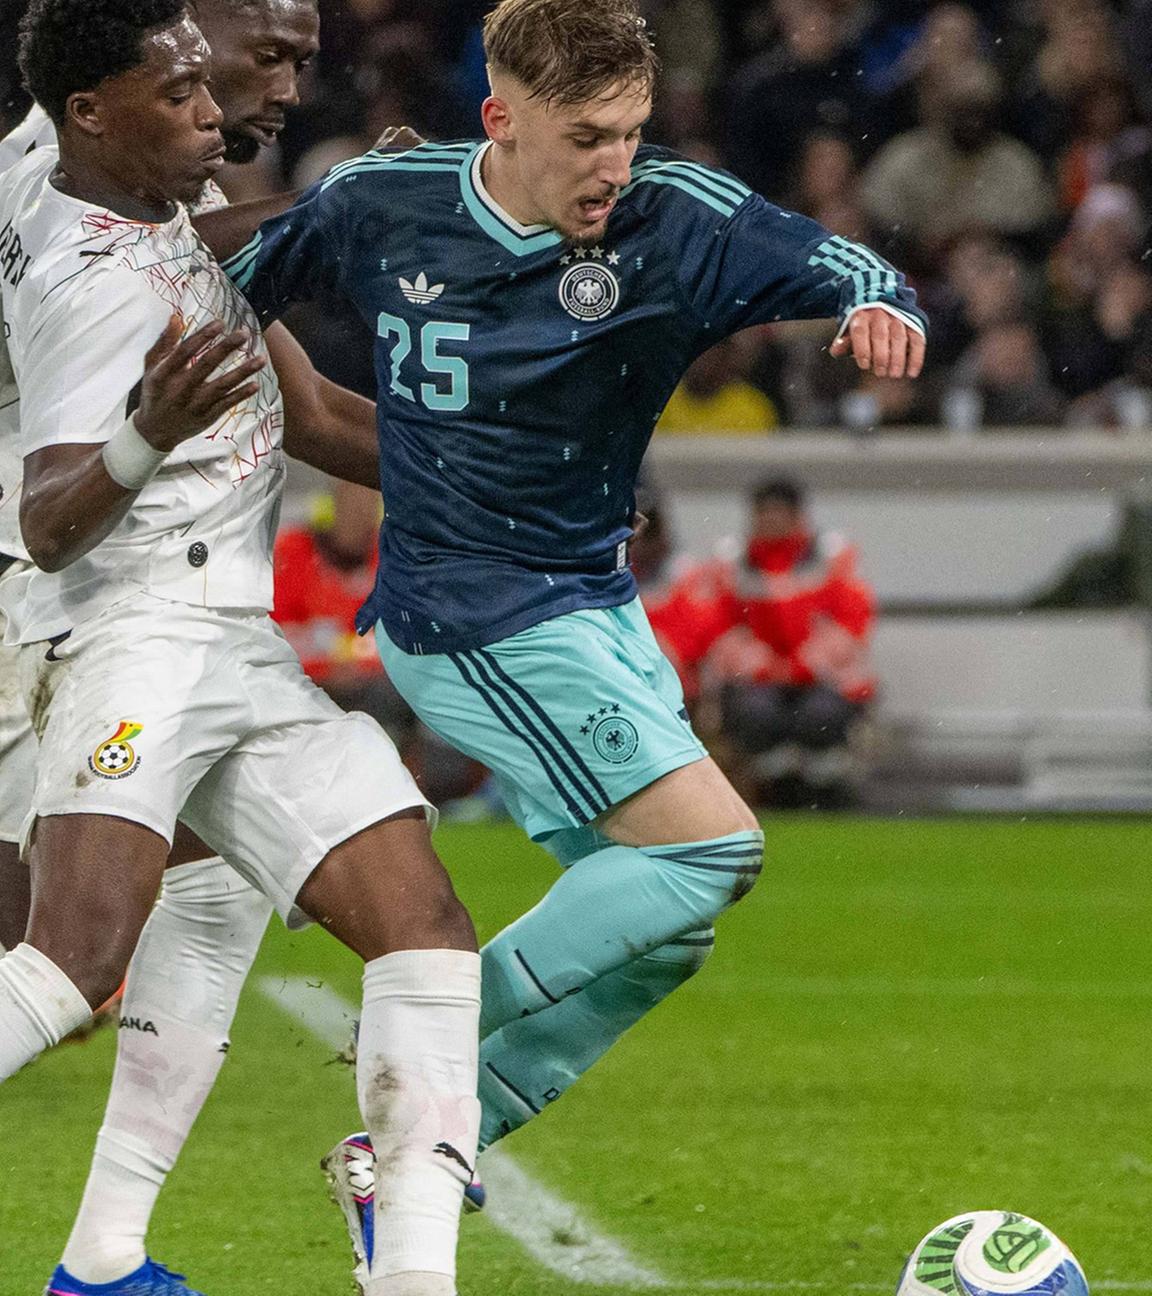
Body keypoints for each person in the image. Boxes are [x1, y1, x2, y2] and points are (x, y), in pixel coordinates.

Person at [209, 0, 926, 1272]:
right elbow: (216, 289)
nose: (614, 166)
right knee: (713, 850)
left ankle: (444, 1131)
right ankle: (422, 1051)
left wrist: (888, 313)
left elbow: (853, 267)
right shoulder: (389, 204)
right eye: (586, 137)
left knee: (676, 916)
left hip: (592, 603)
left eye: (633, 134)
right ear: (502, 120)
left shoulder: (678, 220)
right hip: (470, 609)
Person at [0, 6, 481, 1296]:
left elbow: (219, 268)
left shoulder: (121, 184)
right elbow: (47, 518)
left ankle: (402, 1282)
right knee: (60, 967)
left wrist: (328, 205)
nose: (227, 108)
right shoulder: (85, 276)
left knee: (421, 929)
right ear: (98, 106)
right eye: (195, 86)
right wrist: (149, 430)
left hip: (227, 645)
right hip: (110, 630)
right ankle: (101, 1259)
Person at [704, 477, 877, 807]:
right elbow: (720, 626)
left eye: (778, 512)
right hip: (758, 680)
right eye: (763, 513)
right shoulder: (733, 562)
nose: (770, 521)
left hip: (824, 680)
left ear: (797, 515)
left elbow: (852, 618)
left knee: (820, 716)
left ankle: (825, 793)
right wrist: (763, 664)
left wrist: (803, 664)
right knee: (757, 713)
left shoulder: (831, 556)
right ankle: (775, 791)